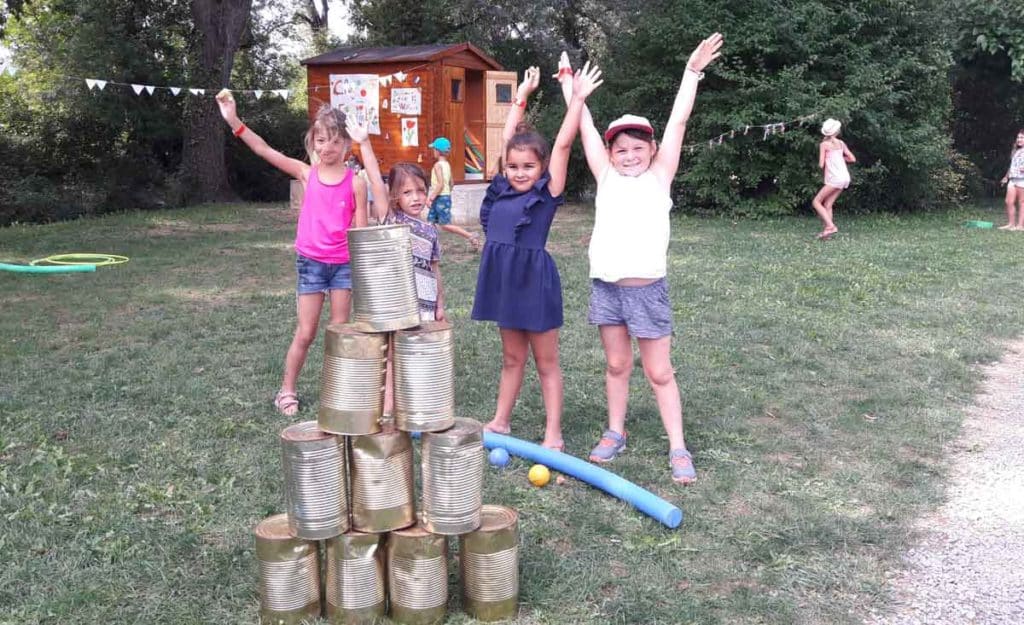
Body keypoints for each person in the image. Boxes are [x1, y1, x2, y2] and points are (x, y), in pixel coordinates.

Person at [556, 34, 722, 484]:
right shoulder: (606, 176)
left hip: (647, 291)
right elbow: (585, 126)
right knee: (616, 365)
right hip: (606, 288)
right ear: (611, 153)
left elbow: (679, 122)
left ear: (651, 151)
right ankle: (615, 431)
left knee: (659, 371)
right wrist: (571, 86)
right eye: (621, 149)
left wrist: (692, 72)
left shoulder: (660, 176)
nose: (629, 155)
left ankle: (678, 446)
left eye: (638, 148)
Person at [215, 90, 384, 416]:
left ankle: (338, 392)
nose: (327, 148)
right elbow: (264, 150)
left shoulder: (356, 183)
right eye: (321, 140)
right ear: (313, 142)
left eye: (335, 141)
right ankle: (287, 390)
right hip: (311, 265)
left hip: (343, 268)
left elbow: (360, 232)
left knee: (339, 333)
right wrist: (233, 120)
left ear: (346, 144)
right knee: (306, 332)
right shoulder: (306, 173)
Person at [473, 62, 604, 451]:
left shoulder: (546, 193)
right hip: (503, 282)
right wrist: (521, 97)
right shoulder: (501, 188)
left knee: (546, 362)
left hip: (533, 281)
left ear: (542, 168)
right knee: (512, 357)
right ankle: (501, 421)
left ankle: (554, 433)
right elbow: (506, 139)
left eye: (528, 166)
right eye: (513, 166)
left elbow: (563, 143)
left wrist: (577, 100)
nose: (518, 172)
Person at [426, 137, 482, 251]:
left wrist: (431, 198)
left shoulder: (437, 166)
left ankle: (470, 236)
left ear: (437, 151)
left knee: (445, 225)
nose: (433, 152)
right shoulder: (447, 164)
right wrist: (447, 193)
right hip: (444, 196)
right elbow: (451, 183)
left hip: (439, 197)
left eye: (434, 149)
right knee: (430, 222)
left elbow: (441, 184)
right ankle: (433, 246)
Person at [811, 118, 856, 240]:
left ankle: (831, 226)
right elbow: (852, 159)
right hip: (845, 177)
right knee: (828, 204)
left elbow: (821, 164)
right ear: (836, 132)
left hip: (834, 178)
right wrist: (840, 159)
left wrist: (827, 159)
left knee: (816, 202)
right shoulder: (841, 143)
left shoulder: (824, 145)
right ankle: (827, 233)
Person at [998, 129, 1024, 230]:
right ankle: (1011, 224)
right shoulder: (1016, 151)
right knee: (1009, 201)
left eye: (1022, 137)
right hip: (1013, 179)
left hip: (1022, 179)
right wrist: (1006, 177)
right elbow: (1012, 166)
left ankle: (1020, 226)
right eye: (1018, 137)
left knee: (1022, 202)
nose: (1019, 139)